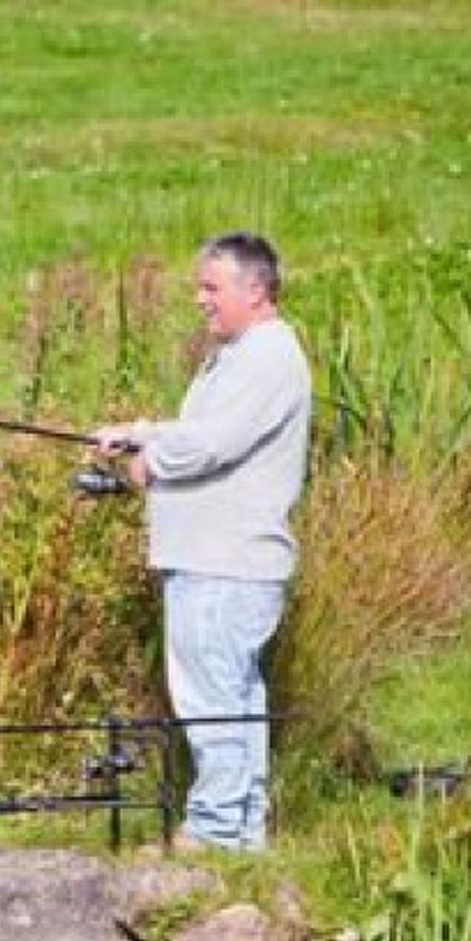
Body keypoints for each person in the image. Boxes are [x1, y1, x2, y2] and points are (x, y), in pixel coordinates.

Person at [94, 232, 312, 853]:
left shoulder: (269, 357)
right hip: (218, 561)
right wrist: (134, 433)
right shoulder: (242, 357)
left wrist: (151, 462)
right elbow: (201, 430)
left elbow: (214, 443)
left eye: (211, 287)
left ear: (255, 290)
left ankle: (216, 830)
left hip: (225, 564)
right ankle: (241, 832)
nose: (200, 299)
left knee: (212, 696)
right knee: (234, 695)